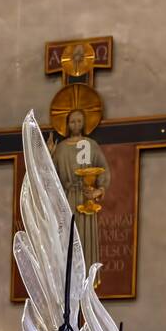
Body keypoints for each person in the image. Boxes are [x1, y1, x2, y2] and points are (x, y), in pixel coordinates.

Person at [48, 108, 110, 267]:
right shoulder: (60, 148)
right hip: (67, 199)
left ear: (84, 124)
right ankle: (69, 279)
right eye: (72, 121)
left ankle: (86, 279)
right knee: (67, 239)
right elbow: (50, 176)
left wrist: (99, 189)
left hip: (86, 198)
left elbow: (103, 168)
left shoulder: (91, 145)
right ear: (67, 124)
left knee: (85, 239)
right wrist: (48, 155)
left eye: (79, 121)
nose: (76, 125)